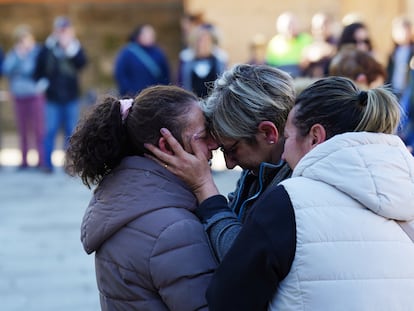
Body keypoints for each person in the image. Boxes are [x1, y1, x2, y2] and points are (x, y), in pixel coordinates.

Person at [206, 76, 414, 311]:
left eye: (289, 136)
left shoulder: (288, 201)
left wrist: (205, 193)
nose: (283, 154)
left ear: (315, 137)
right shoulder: (404, 188)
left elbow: (225, 299)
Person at [64, 85, 219, 310]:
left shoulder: (121, 196)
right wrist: (206, 188)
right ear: (167, 146)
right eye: (203, 137)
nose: (214, 145)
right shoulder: (175, 230)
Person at [145, 64, 296, 261]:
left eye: (232, 150)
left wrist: (203, 187)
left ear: (268, 133)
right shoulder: (261, 169)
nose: (230, 164)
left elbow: (242, 262)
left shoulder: (296, 184)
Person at [33, 16, 88, 172]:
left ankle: (69, 164)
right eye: (60, 30)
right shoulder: (47, 49)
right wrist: (41, 83)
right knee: (49, 131)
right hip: (52, 98)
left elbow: (82, 64)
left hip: (71, 97)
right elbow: (38, 70)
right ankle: (47, 165)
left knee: (71, 132)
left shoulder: (76, 48)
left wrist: (70, 49)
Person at [2, 24, 47, 170]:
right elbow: (6, 69)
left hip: (34, 95)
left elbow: (36, 69)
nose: (25, 43)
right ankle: (24, 161)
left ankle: (41, 159)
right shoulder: (14, 54)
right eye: (22, 40)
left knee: (38, 129)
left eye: (27, 39)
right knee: (22, 129)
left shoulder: (37, 52)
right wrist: (18, 56)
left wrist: (25, 61)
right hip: (19, 95)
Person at [114, 24, 170, 97]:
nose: (151, 37)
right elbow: (121, 74)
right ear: (139, 36)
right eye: (148, 34)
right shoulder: (127, 53)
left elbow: (165, 74)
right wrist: (128, 92)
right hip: (134, 96)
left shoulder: (158, 53)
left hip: (155, 96)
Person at [386, 16, 414, 154]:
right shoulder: (392, 53)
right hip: (394, 90)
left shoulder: (412, 51)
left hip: (408, 90)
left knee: (406, 116)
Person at [177, 23, 227, 98]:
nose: (203, 43)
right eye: (200, 40)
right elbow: (180, 83)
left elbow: (224, 83)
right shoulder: (186, 59)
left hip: (213, 104)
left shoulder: (219, 60)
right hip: (191, 102)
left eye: (206, 40)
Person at [265, 11, 313, 78]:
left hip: (300, 73)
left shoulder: (306, 39)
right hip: (279, 74)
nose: (290, 28)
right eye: (288, 26)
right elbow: (269, 64)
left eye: (292, 24)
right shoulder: (274, 42)